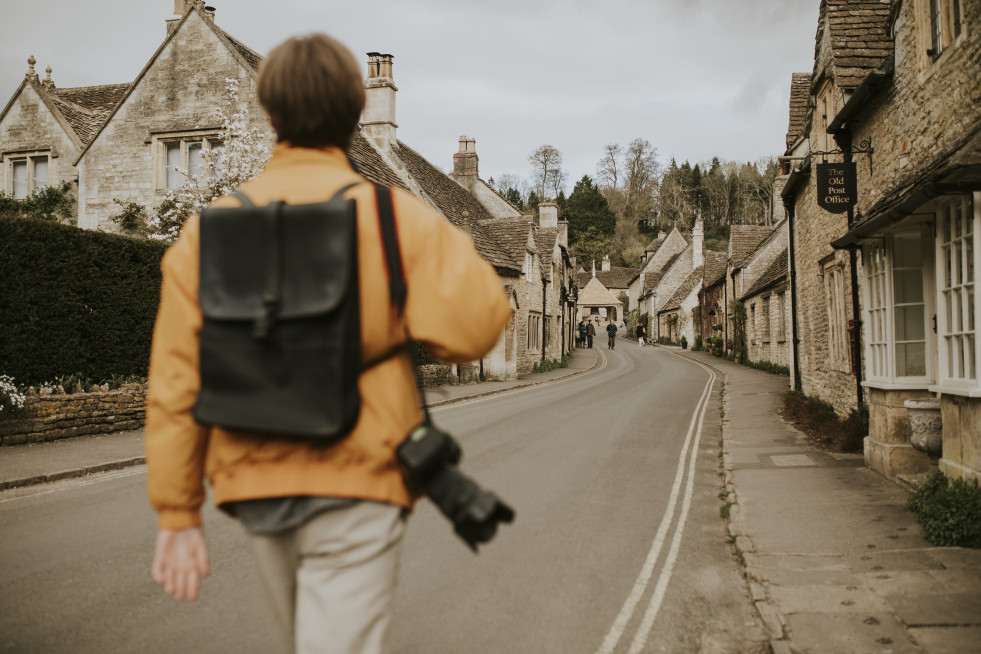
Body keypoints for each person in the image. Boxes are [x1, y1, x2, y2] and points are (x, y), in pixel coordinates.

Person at [144, 33, 512, 654]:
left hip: (256, 486)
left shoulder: (206, 235)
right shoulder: (398, 221)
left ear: (267, 115)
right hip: (360, 479)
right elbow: (478, 326)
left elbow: (176, 383)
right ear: (355, 114)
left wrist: (178, 513)